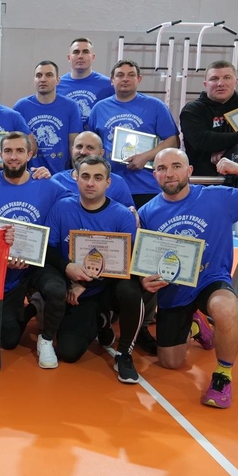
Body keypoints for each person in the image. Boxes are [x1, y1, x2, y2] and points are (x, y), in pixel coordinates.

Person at [139, 148, 238, 408]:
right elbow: (145, 261)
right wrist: (144, 280)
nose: (169, 173)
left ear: (189, 171)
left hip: (210, 280)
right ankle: (195, 325)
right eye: (161, 168)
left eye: (176, 166)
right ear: (154, 175)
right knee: (171, 362)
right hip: (175, 288)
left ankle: (223, 376)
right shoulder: (147, 213)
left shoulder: (217, 197)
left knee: (225, 308)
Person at [0, 132, 68, 369]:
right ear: (0, 155)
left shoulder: (48, 184)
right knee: (9, 340)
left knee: (56, 289)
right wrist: (2, 255)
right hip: (5, 269)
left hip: (39, 264)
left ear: (30, 155)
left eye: (20, 151)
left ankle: (45, 340)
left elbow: (78, 204)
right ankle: (34, 307)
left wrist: (128, 209)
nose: (13, 157)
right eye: (8, 151)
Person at [46, 156, 143, 382]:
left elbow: (126, 263)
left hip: (108, 287)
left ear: (108, 183)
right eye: (85, 177)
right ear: (76, 179)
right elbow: (48, 250)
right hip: (79, 294)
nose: (91, 183)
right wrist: (67, 267)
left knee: (130, 289)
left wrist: (84, 283)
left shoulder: (122, 215)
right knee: (68, 352)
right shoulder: (62, 208)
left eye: (98, 178)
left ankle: (124, 354)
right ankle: (101, 321)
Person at [87, 60, 180, 208]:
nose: (125, 79)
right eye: (120, 75)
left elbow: (173, 141)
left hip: (147, 187)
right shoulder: (99, 109)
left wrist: (146, 156)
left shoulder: (155, 106)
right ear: (112, 80)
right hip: (109, 187)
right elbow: (91, 145)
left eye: (131, 75)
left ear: (139, 79)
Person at [180, 61, 238, 178]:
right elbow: (201, 140)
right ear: (205, 84)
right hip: (204, 180)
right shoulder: (193, 109)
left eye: (227, 78)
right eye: (214, 79)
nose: (221, 83)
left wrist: (228, 151)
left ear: (236, 81)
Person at [14, 60, 83, 174]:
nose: (43, 79)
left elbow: (74, 145)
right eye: (39, 75)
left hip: (60, 175)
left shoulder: (70, 106)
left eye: (49, 75)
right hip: (30, 176)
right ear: (34, 80)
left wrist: (75, 175)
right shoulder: (21, 106)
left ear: (58, 80)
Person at [52, 131, 135, 209]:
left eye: (90, 148)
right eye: (79, 147)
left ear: (101, 153)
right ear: (72, 149)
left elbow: (128, 214)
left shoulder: (117, 183)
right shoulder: (57, 181)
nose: (83, 152)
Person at [56, 37, 115, 126]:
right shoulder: (57, 85)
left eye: (85, 52)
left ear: (93, 57)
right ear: (69, 58)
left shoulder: (108, 85)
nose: (80, 56)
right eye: (76, 52)